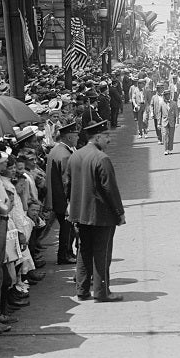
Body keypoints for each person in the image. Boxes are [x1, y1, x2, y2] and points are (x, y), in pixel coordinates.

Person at [66, 120, 125, 303]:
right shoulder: (102, 159)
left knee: (84, 251)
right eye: (106, 136)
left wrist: (72, 208)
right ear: (97, 137)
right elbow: (110, 190)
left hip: (80, 214)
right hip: (100, 215)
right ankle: (102, 291)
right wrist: (119, 212)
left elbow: (68, 185)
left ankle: (82, 290)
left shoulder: (75, 156)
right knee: (102, 253)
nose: (109, 140)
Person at [45, 122, 78, 266]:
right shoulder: (65, 155)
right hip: (63, 200)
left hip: (56, 197)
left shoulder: (57, 150)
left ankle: (66, 253)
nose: (77, 138)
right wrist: (69, 202)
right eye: (76, 135)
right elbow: (67, 182)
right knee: (67, 229)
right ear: (69, 137)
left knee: (66, 228)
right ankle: (65, 254)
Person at [159, 90, 176, 156]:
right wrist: (158, 123)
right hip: (164, 121)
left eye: (169, 94)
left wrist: (177, 122)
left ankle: (170, 149)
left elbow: (176, 113)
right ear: (164, 96)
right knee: (164, 135)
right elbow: (159, 114)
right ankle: (166, 149)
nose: (168, 96)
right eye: (166, 95)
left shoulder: (174, 103)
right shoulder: (161, 103)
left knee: (171, 136)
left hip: (172, 121)